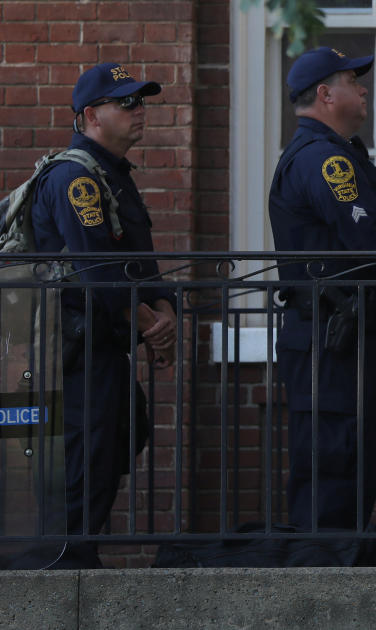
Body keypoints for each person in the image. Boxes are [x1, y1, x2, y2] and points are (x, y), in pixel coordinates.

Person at [269, 47, 376, 533]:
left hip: (350, 334)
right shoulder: (325, 160)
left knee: (351, 458)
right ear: (325, 94)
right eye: (351, 80)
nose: (362, 88)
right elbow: (369, 237)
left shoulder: (341, 155)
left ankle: (338, 562)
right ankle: (324, 578)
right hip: (333, 337)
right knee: (334, 462)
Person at [29, 63, 177, 568]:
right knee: (84, 456)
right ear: (91, 115)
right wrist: (150, 324)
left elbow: (141, 264)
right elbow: (100, 270)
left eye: (142, 102)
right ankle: (63, 563)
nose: (141, 112)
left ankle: (77, 551)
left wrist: (163, 310)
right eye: (128, 103)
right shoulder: (76, 177)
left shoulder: (114, 177)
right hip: (72, 352)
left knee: (118, 438)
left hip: (108, 343)